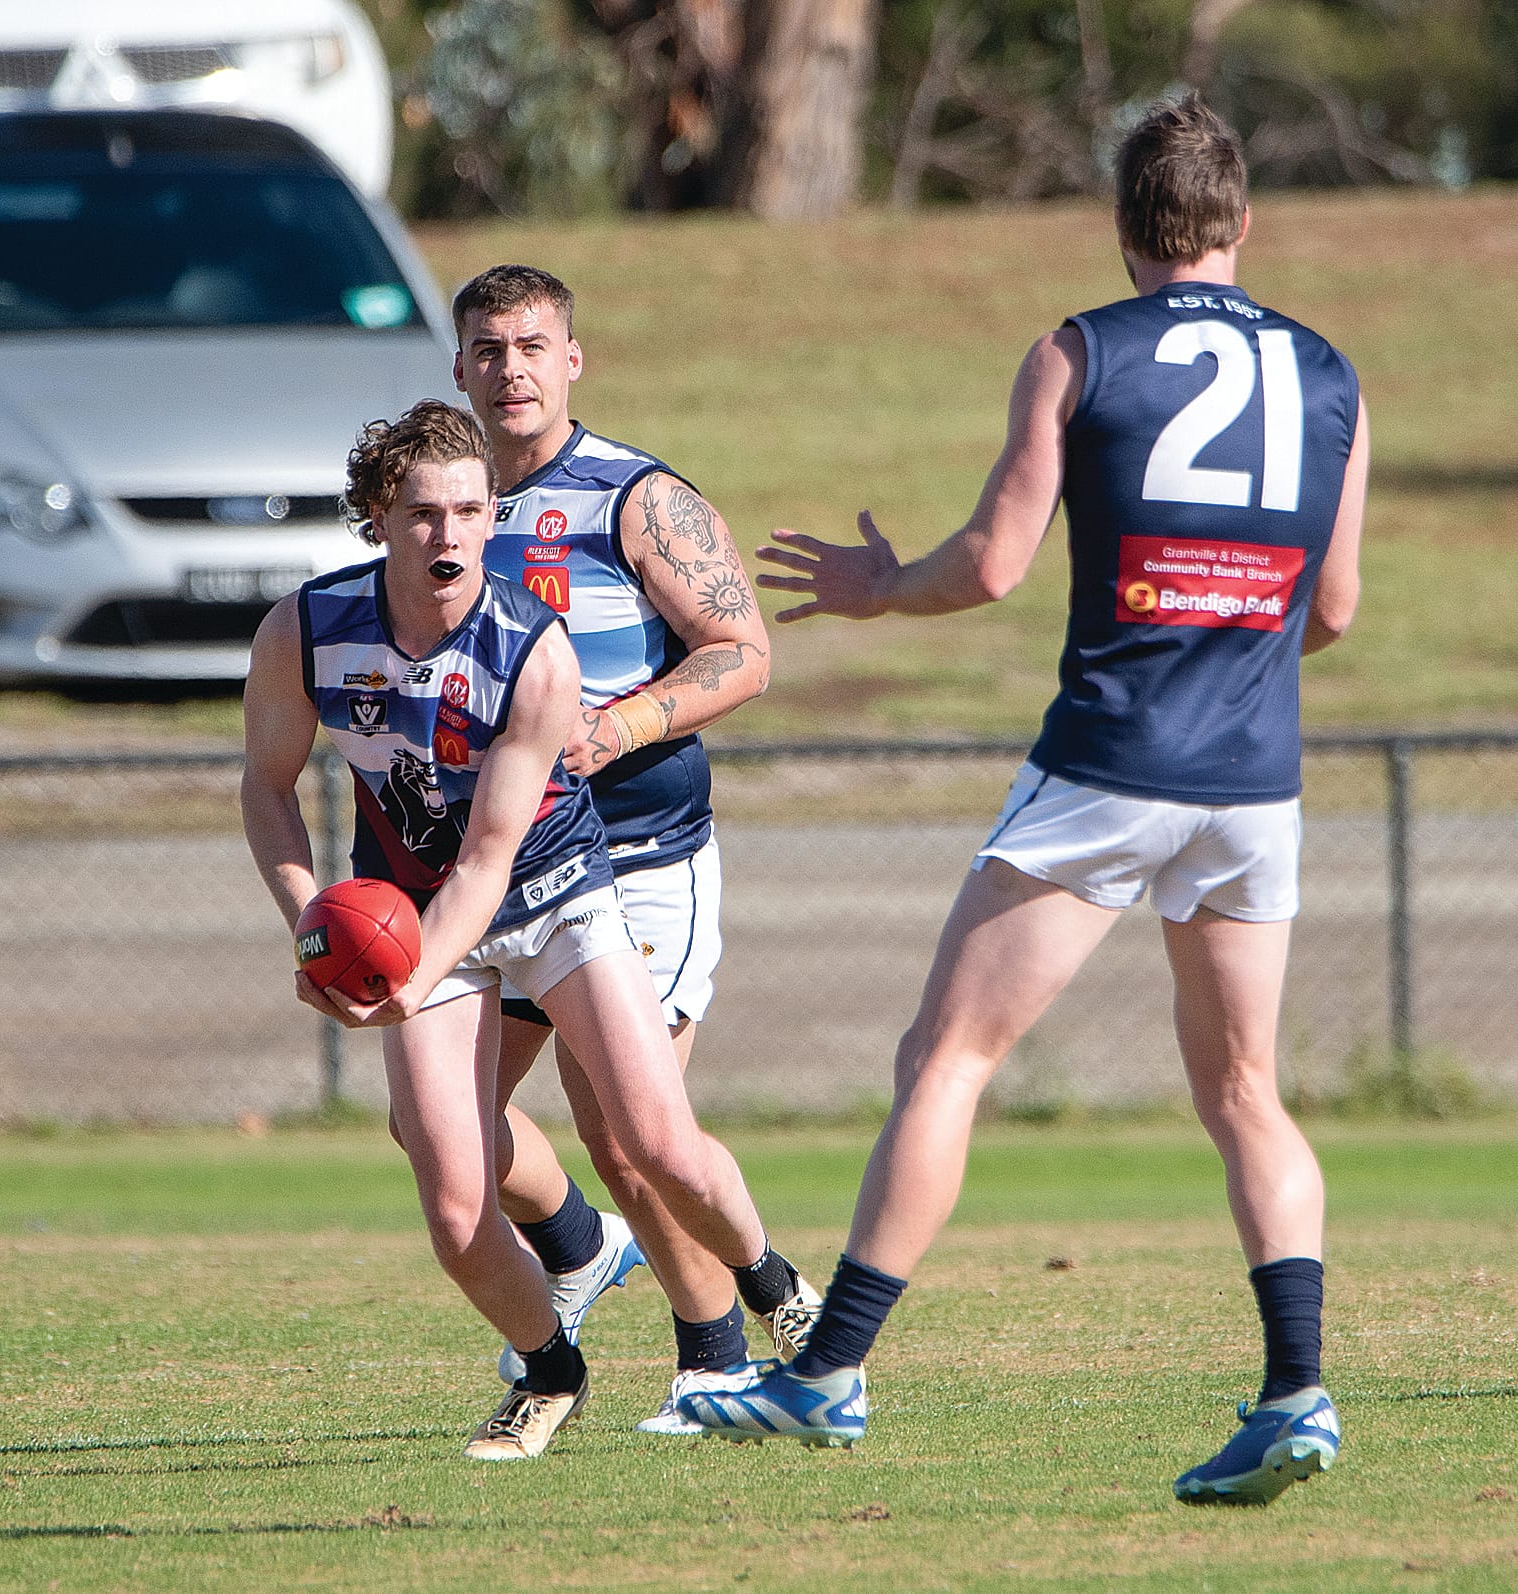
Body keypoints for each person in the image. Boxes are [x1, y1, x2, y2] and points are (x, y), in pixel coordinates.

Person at [678, 93, 1369, 1508]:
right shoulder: (1332, 374)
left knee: (948, 1055)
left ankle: (826, 1373)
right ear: (1242, 223)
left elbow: (992, 564)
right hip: (1255, 784)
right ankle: (1298, 1389)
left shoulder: (1082, 349)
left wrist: (877, 589)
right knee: (1247, 1089)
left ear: (1125, 230)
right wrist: (1229, 651)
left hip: (1112, 761)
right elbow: (1336, 610)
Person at [240, 399, 814, 1461]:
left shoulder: (531, 649)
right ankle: (552, 1370)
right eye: (420, 513)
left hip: (557, 900)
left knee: (656, 1144)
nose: (448, 534)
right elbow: (268, 790)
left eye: (468, 510)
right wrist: (311, 927)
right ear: (376, 516)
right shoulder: (307, 630)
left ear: (491, 515)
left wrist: (404, 981)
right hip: (422, 919)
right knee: (454, 1205)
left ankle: (777, 1288)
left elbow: (494, 855)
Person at [448, 263, 819, 1432]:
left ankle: (717, 1356)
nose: (511, 368)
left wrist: (622, 723)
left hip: (643, 852)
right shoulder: (449, 507)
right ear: (459, 368)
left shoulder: (636, 497)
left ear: (572, 361)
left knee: (621, 1124)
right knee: (446, 1125)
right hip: (501, 870)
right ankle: (579, 1246)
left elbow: (741, 649)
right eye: (488, 349)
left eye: (532, 345)